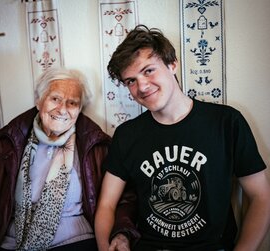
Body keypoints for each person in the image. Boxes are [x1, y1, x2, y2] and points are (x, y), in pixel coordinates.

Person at [95, 25, 270, 251]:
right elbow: (107, 204)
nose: (142, 86)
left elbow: (261, 197)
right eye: (131, 81)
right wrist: (104, 245)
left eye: (148, 70)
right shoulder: (126, 135)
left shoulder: (227, 122)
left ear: (172, 64)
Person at [0, 67, 111, 251]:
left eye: (72, 103)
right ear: (39, 101)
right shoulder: (10, 139)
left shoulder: (95, 145)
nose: (62, 110)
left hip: (74, 241)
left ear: (79, 109)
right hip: (12, 241)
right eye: (55, 99)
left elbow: (119, 200)